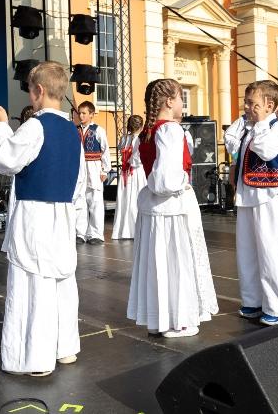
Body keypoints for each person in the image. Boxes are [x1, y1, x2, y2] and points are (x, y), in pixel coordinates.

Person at [0, 61, 86, 377]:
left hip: (36, 214)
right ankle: (64, 347)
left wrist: (0, 125)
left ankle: (35, 357)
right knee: (61, 281)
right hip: (62, 212)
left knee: (33, 281)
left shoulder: (36, 126)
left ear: (38, 90)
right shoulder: (72, 131)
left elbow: (5, 158)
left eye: (29, 89)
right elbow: (79, 181)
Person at [128, 79, 217, 338]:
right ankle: (179, 321)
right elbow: (165, 180)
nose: (181, 103)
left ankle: (160, 319)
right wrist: (183, 182)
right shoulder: (170, 130)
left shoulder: (148, 132)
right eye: (179, 98)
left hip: (155, 208)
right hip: (172, 207)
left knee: (159, 264)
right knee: (177, 262)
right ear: (169, 101)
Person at [233, 80, 278, 326]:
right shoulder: (250, 128)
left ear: (269, 105)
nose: (247, 107)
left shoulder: (274, 127)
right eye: (246, 102)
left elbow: (266, 150)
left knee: (271, 253)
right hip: (248, 196)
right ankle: (253, 300)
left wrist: (259, 123)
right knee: (247, 253)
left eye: (253, 103)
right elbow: (234, 145)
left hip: (269, 197)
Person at [75, 101, 110, 244]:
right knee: (80, 199)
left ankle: (96, 234)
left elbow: (105, 150)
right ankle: (80, 233)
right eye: (79, 113)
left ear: (91, 114)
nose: (81, 116)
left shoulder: (98, 130)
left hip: (94, 167)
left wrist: (105, 170)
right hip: (79, 168)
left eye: (84, 113)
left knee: (95, 200)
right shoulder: (75, 130)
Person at [111, 114, 145, 241]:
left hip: (126, 172)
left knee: (126, 198)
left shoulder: (125, 138)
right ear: (141, 126)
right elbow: (137, 159)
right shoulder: (140, 139)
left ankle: (124, 229)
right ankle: (135, 229)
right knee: (135, 198)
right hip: (135, 172)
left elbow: (122, 150)